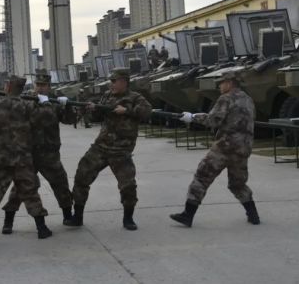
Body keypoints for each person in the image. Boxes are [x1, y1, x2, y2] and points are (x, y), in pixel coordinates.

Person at [65, 68, 152, 230]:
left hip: (121, 150)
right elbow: (98, 117)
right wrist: (93, 110)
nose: (111, 84)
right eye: (110, 81)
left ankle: (128, 218)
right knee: (81, 177)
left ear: (124, 81)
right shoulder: (107, 96)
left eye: (114, 81)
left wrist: (127, 111)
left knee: (128, 186)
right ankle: (77, 216)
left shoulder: (135, 98)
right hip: (101, 147)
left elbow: (148, 112)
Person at [0, 75, 51, 242]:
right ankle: (42, 228)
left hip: (0, 158)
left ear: (8, 87)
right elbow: (45, 119)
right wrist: (45, 102)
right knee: (30, 193)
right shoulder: (28, 106)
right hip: (23, 158)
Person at [170, 71, 259, 227]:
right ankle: (253, 215)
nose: (219, 85)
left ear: (230, 83)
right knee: (237, 183)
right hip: (243, 148)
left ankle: (187, 215)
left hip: (225, 147)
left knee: (202, 177)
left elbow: (213, 120)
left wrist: (191, 118)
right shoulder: (248, 99)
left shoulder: (226, 98)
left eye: (221, 82)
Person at [0, 69, 76, 234]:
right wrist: (43, 103)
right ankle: (8, 220)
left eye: (44, 85)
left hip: (50, 153)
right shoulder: (26, 99)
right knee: (20, 189)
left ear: (49, 86)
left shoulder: (54, 100)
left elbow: (69, 120)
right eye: (38, 85)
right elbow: (34, 117)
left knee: (61, 184)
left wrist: (67, 106)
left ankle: (67, 215)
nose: (40, 88)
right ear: (34, 85)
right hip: (29, 153)